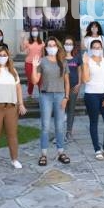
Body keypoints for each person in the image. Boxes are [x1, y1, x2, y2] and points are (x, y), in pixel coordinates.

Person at [31, 37, 70, 166]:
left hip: (60, 96)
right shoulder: (42, 62)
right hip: (46, 96)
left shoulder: (63, 62)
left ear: (57, 47)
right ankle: (43, 154)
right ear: (46, 48)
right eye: (49, 45)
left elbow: (66, 82)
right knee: (45, 126)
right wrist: (33, 67)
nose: (52, 47)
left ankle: (60, 152)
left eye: (54, 45)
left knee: (59, 126)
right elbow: (35, 81)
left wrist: (66, 97)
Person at [81, 39, 104, 159]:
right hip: (91, 95)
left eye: (98, 47)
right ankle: (97, 149)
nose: (97, 49)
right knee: (94, 122)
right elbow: (85, 79)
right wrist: (85, 63)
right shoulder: (88, 61)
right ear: (91, 49)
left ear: (102, 48)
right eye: (94, 47)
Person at [63, 36, 82, 141]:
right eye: (66, 44)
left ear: (73, 45)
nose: (68, 46)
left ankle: (69, 131)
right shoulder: (60, 57)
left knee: (71, 109)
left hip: (74, 86)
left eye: (70, 44)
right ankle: (61, 130)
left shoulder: (77, 57)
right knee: (62, 109)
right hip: (61, 88)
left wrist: (79, 83)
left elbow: (80, 70)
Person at [20, 27, 44, 100]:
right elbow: (21, 49)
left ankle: (42, 96)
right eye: (33, 30)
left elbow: (43, 54)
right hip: (29, 64)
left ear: (38, 32)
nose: (34, 32)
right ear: (31, 32)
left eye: (36, 30)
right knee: (30, 80)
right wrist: (22, 38)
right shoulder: (28, 41)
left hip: (38, 64)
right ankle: (29, 95)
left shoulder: (42, 43)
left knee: (40, 80)